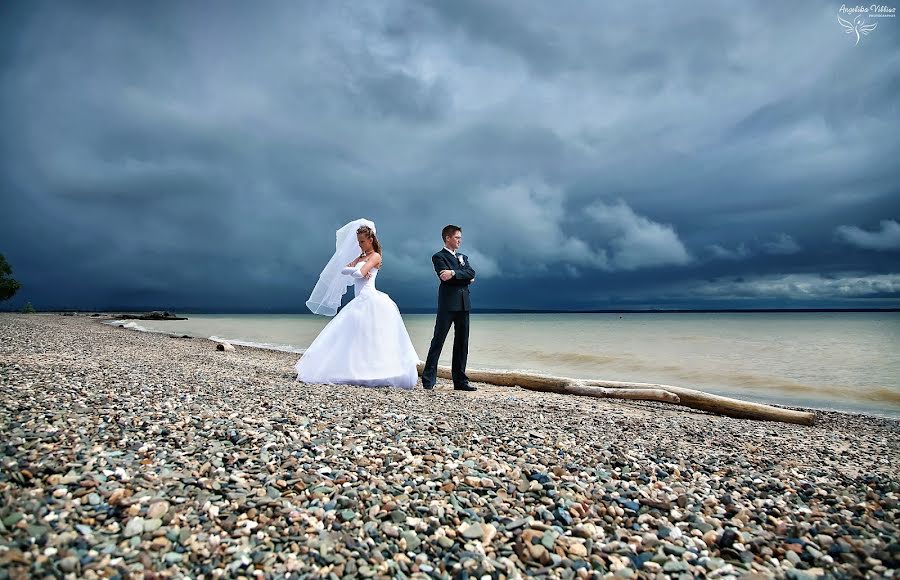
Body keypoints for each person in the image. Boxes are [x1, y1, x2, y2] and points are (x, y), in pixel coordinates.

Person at [296, 219, 419, 389]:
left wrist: (358, 271)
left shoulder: (375, 255)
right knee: (355, 335)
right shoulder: (361, 256)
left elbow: (360, 273)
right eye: (358, 242)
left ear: (370, 240)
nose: (360, 245)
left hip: (370, 298)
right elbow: (346, 270)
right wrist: (357, 270)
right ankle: (356, 369)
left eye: (362, 241)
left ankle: (375, 371)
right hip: (359, 300)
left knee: (372, 336)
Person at [421, 224, 476, 391]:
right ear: (447, 238)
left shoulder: (463, 257)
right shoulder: (438, 257)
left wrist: (453, 273)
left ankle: (460, 382)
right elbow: (445, 278)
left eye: (460, 238)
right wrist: (462, 277)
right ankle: (428, 381)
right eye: (457, 237)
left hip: (464, 304)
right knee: (438, 341)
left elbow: (471, 273)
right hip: (447, 304)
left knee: (462, 343)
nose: (460, 240)